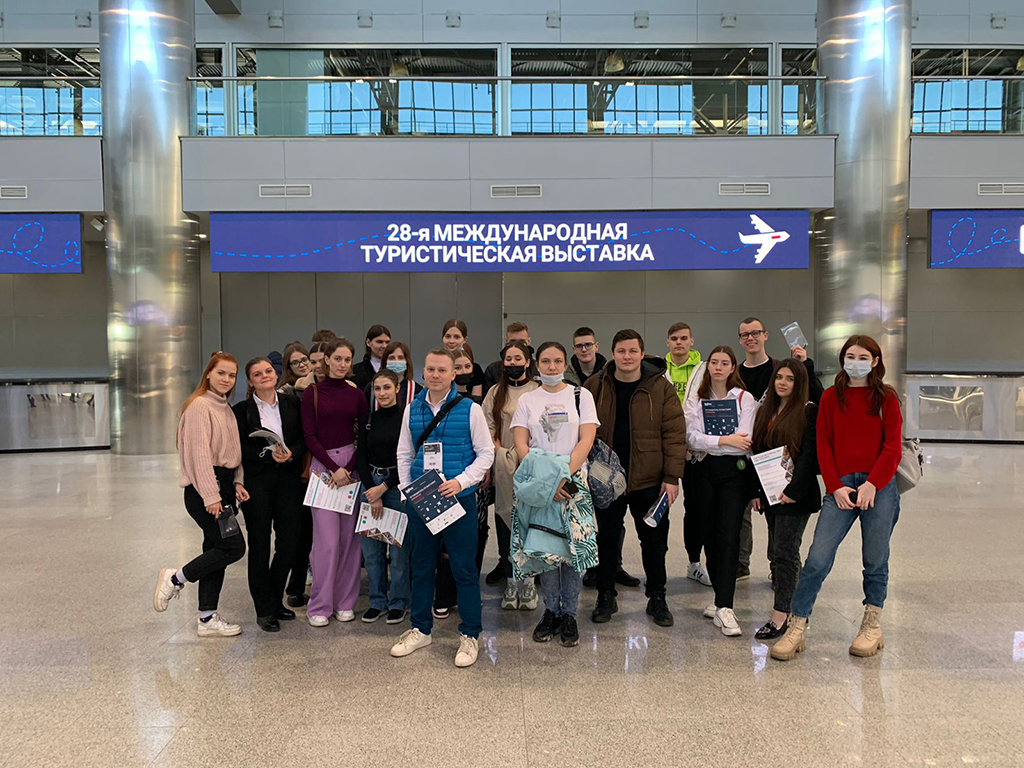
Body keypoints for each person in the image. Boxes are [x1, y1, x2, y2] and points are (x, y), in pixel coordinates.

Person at [772, 335, 903, 661]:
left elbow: (892, 447)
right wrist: (835, 486)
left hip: (878, 488)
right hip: (840, 487)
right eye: (850, 356)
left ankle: (872, 624)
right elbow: (824, 445)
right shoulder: (831, 397)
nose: (855, 362)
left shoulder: (886, 398)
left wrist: (873, 484)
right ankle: (797, 626)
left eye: (863, 357)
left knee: (875, 559)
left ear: (875, 361)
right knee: (817, 559)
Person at [390, 348, 495, 668]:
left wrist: (462, 482)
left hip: (458, 499)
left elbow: (486, 453)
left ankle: (470, 634)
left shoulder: (470, 409)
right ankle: (421, 629)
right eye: (430, 369)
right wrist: (407, 491)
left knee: (463, 569)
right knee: (421, 567)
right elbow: (404, 454)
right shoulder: (412, 408)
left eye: (442, 370)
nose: (435, 375)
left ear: (453, 374)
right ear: (423, 372)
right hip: (422, 499)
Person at [583, 330, 687, 628]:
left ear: (642, 354)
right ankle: (605, 595)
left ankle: (657, 597)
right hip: (605, 480)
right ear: (612, 353)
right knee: (606, 538)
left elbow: (675, 434)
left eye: (632, 351)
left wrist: (672, 477)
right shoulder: (595, 386)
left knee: (654, 541)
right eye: (621, 351)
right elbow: (582, 431)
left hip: (649, 480)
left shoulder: (661, 388)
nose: (626, 357)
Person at [154, 352, 249, 638]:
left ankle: (207, 618)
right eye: (221, 373)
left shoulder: (225, 407)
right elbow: (199, 456)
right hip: (205, 491)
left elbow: (233, 452)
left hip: (224, 488)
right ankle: (175, 578)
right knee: (233, 548)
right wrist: (211, 496)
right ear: (208, 373)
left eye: (231, 375)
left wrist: (238, 482)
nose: (226, 379)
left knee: (215, 550)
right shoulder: (199, 406)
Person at [511, 341, 599, 647]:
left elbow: (586, 439)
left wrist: (563, 477)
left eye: (557, 361)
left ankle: (570, 614)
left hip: (573, 483)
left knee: (571, 553)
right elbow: (521, 444)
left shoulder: (581, 395)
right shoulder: (527, 400)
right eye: (546, 361)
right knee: (545, 550)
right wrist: (548, 481)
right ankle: (551, 611)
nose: (552, 366)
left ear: (565, 363)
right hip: (540, 485)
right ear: (537, 365)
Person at [737, 316, 824, 581]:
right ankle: (764, 570)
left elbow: (810, 451)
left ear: (765, 335)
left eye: (755, 332)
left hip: (794, 482)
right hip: (764, 475)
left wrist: (804, 365)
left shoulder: (784, 371)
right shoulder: (739, 378)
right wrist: (756, 488)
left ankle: (784, 581)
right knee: (775, 536)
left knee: (786, 549)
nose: (750, 338)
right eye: (745, 334)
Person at [684, 346, 759, 637]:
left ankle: (726, 606)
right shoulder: (697, 399)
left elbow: (745, 441)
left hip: (734, 475)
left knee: (729, 536)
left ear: (732, 367)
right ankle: (719, 598)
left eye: (724, 363)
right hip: (702, 472)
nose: (718, 367)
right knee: (710, 536)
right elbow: (691, 438)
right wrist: (724, 440)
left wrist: (713, 441)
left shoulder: (744, 399)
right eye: (713, 362)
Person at [233, 357, 307, 632]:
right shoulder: (241, 411)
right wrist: (267, 454)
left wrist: (290, 453)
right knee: (260, 545)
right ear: (250, 382)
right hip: (257, 482)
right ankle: (264, 609)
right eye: (257, 374)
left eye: (268, 371)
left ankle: (275, 599)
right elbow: (239, 447)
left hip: (288, 480)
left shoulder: (292, 403)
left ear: (275, 375)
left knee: (289, 542)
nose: (264, 376)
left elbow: (302, 439)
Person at [750, 359, 820, 640]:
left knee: (785, 554)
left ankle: (781, 615)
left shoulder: (808, 411)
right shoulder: (766, 410)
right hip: (771, 494)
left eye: (790, 379)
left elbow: (809, 457)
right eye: (779, 377)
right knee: (779, 553)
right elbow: (758, 452)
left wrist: (793, 491)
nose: (783, 383)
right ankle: (797, 608)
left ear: (799, 383)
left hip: (795, 497)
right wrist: (757, 492)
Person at [301, 338, 369, 627]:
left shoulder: (357, 395)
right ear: (326, 359)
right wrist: (333, 468)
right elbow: (309, 435)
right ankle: (320, 604)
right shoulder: (313, 393)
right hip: (323, 469)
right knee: (326, 543)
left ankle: (344, 602)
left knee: (350, 541)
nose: (342, 364)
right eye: (337, 358)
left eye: (347, 359)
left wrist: (348, 468)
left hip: (351, 468)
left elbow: (364, 434)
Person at [480, 340, 540, 608]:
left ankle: (529, 582)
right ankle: (511, 580)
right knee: (506, 525)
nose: (513, 363)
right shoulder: (495, 392)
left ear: (528, 361)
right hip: (503, 465)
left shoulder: (538, 390)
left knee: (532, 524)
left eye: (518, 358)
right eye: (509, 359)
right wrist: (498, 454)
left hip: (532, 464)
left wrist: (525, 454)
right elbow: (487, 426)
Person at [355, 369, 412, 625]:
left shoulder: (405, 419)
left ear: (397, 388)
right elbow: (361, 457)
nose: (382, 393)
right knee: (372, 551)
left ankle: (398, 601)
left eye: (387, 387)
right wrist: (372, 491)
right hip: (370, 485)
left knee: (398, 552)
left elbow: (408, 458)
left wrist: (385, 487)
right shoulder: (368, 420)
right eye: (377, 389)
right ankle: (377, 601)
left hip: (396, 486)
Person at [663, 322, 710, 587]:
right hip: (666, 447)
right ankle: (656, 565)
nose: (679, 342)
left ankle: (695, 563)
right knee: (658, 505)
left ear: (691, 341)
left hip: (695, 450)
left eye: (683, 338)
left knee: (695, 508)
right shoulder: (659, 371)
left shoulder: (705, 369)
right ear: (668, 343)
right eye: (674, 338)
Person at [365, 340, 420, 409]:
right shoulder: (371, 389)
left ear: (407, 361)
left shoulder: (417, 390)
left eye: (400, 358)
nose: (396, 361)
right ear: (385, 361)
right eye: (391, 358)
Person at [483, 321, 535, 391]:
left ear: (528, 341)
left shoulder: (538, 368)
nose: (517, 345)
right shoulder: (493, 370)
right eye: (513, 341)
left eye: (522, 342)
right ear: (506, 341)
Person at [441, 319, 486, 392]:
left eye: (457, 337)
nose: (451, 341)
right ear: (442, 338)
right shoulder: (435, 365)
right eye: (448, 336)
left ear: (465, 339)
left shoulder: (475, 369)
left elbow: (477, 397)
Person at [350, 324, 392, 390]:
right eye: (379, 342)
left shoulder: (395, 369)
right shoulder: (354, 372)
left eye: (387, 342)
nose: (384, 346)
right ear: (368, 342)